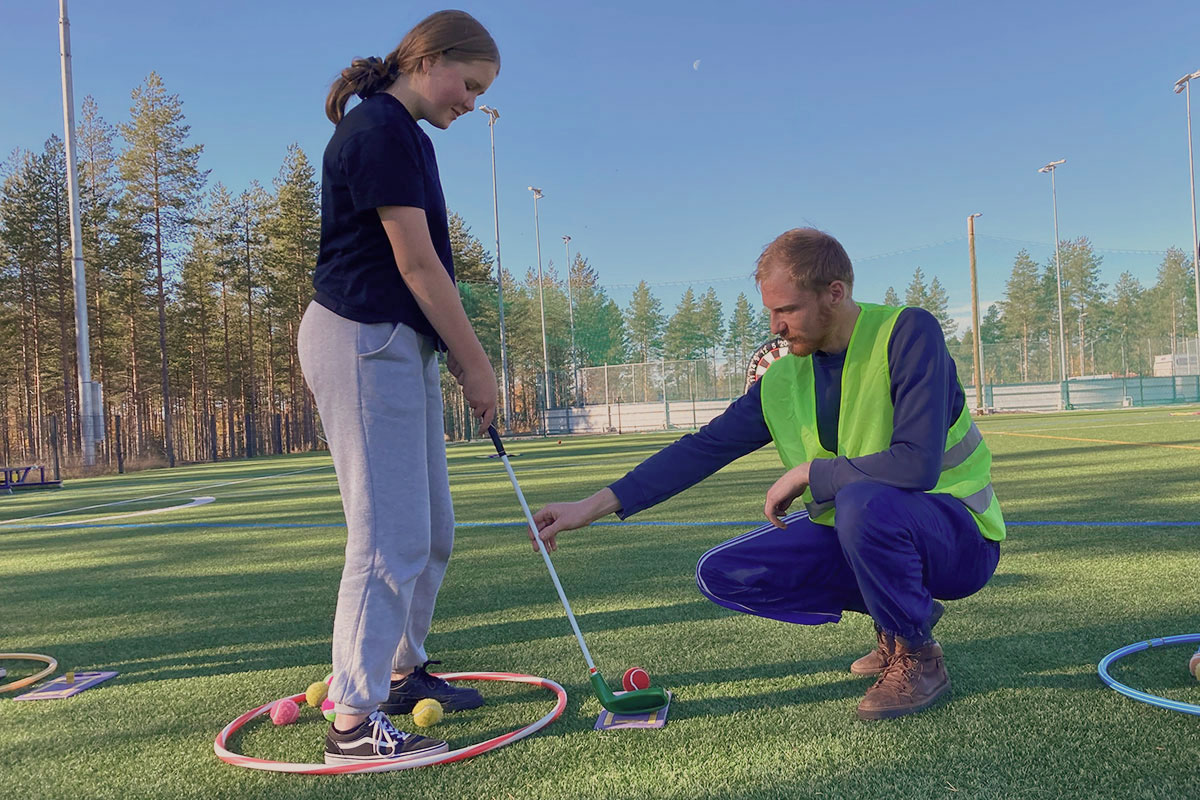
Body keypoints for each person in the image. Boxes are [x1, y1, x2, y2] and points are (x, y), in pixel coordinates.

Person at [532, 228, 1004, 721]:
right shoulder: (783, 377)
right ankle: (899, 618)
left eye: (787, 310)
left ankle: (918, 656)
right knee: (724, 573)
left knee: (863, 504)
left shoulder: (908, 333)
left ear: (835, 293)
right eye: (770, 312)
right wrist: (588, 508)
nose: (775, 326)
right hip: (869, 526)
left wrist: (809, 472)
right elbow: (701, 449)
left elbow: (916, 464)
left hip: (960, 539)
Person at [297, 10, 500, 765]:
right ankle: (351, 725)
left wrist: (447, 350)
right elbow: (418, 266)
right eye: (470, 85)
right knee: (388, 539)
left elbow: (423, 275)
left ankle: (399, 671)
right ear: (432, 59)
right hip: (358, 339)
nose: (472, 103)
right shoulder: (378, 129)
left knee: (433, 529)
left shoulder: (403, 131)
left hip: (394, 342)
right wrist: (475, 363)